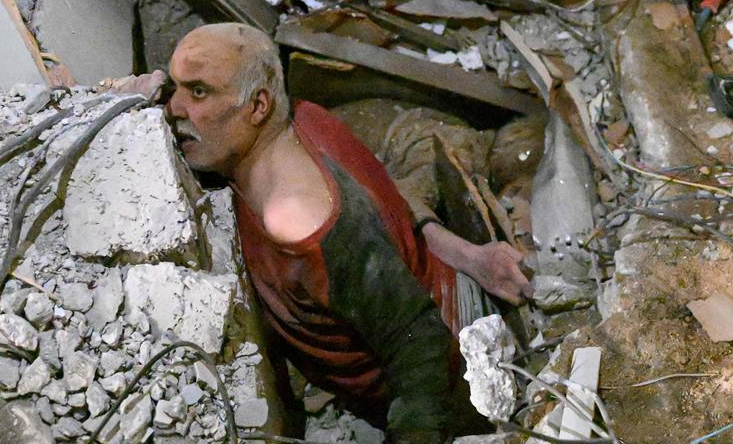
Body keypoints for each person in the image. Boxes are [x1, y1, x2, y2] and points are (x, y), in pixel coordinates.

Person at [155, 22, 532, 443]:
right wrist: (471, 257)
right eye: (175, 86)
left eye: (199, 92)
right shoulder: (305, 119)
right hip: (453, 300)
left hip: (461, 380)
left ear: (258, 106)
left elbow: (420, 346)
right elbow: (392, 222)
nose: (174, 107)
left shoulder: (297, 219)